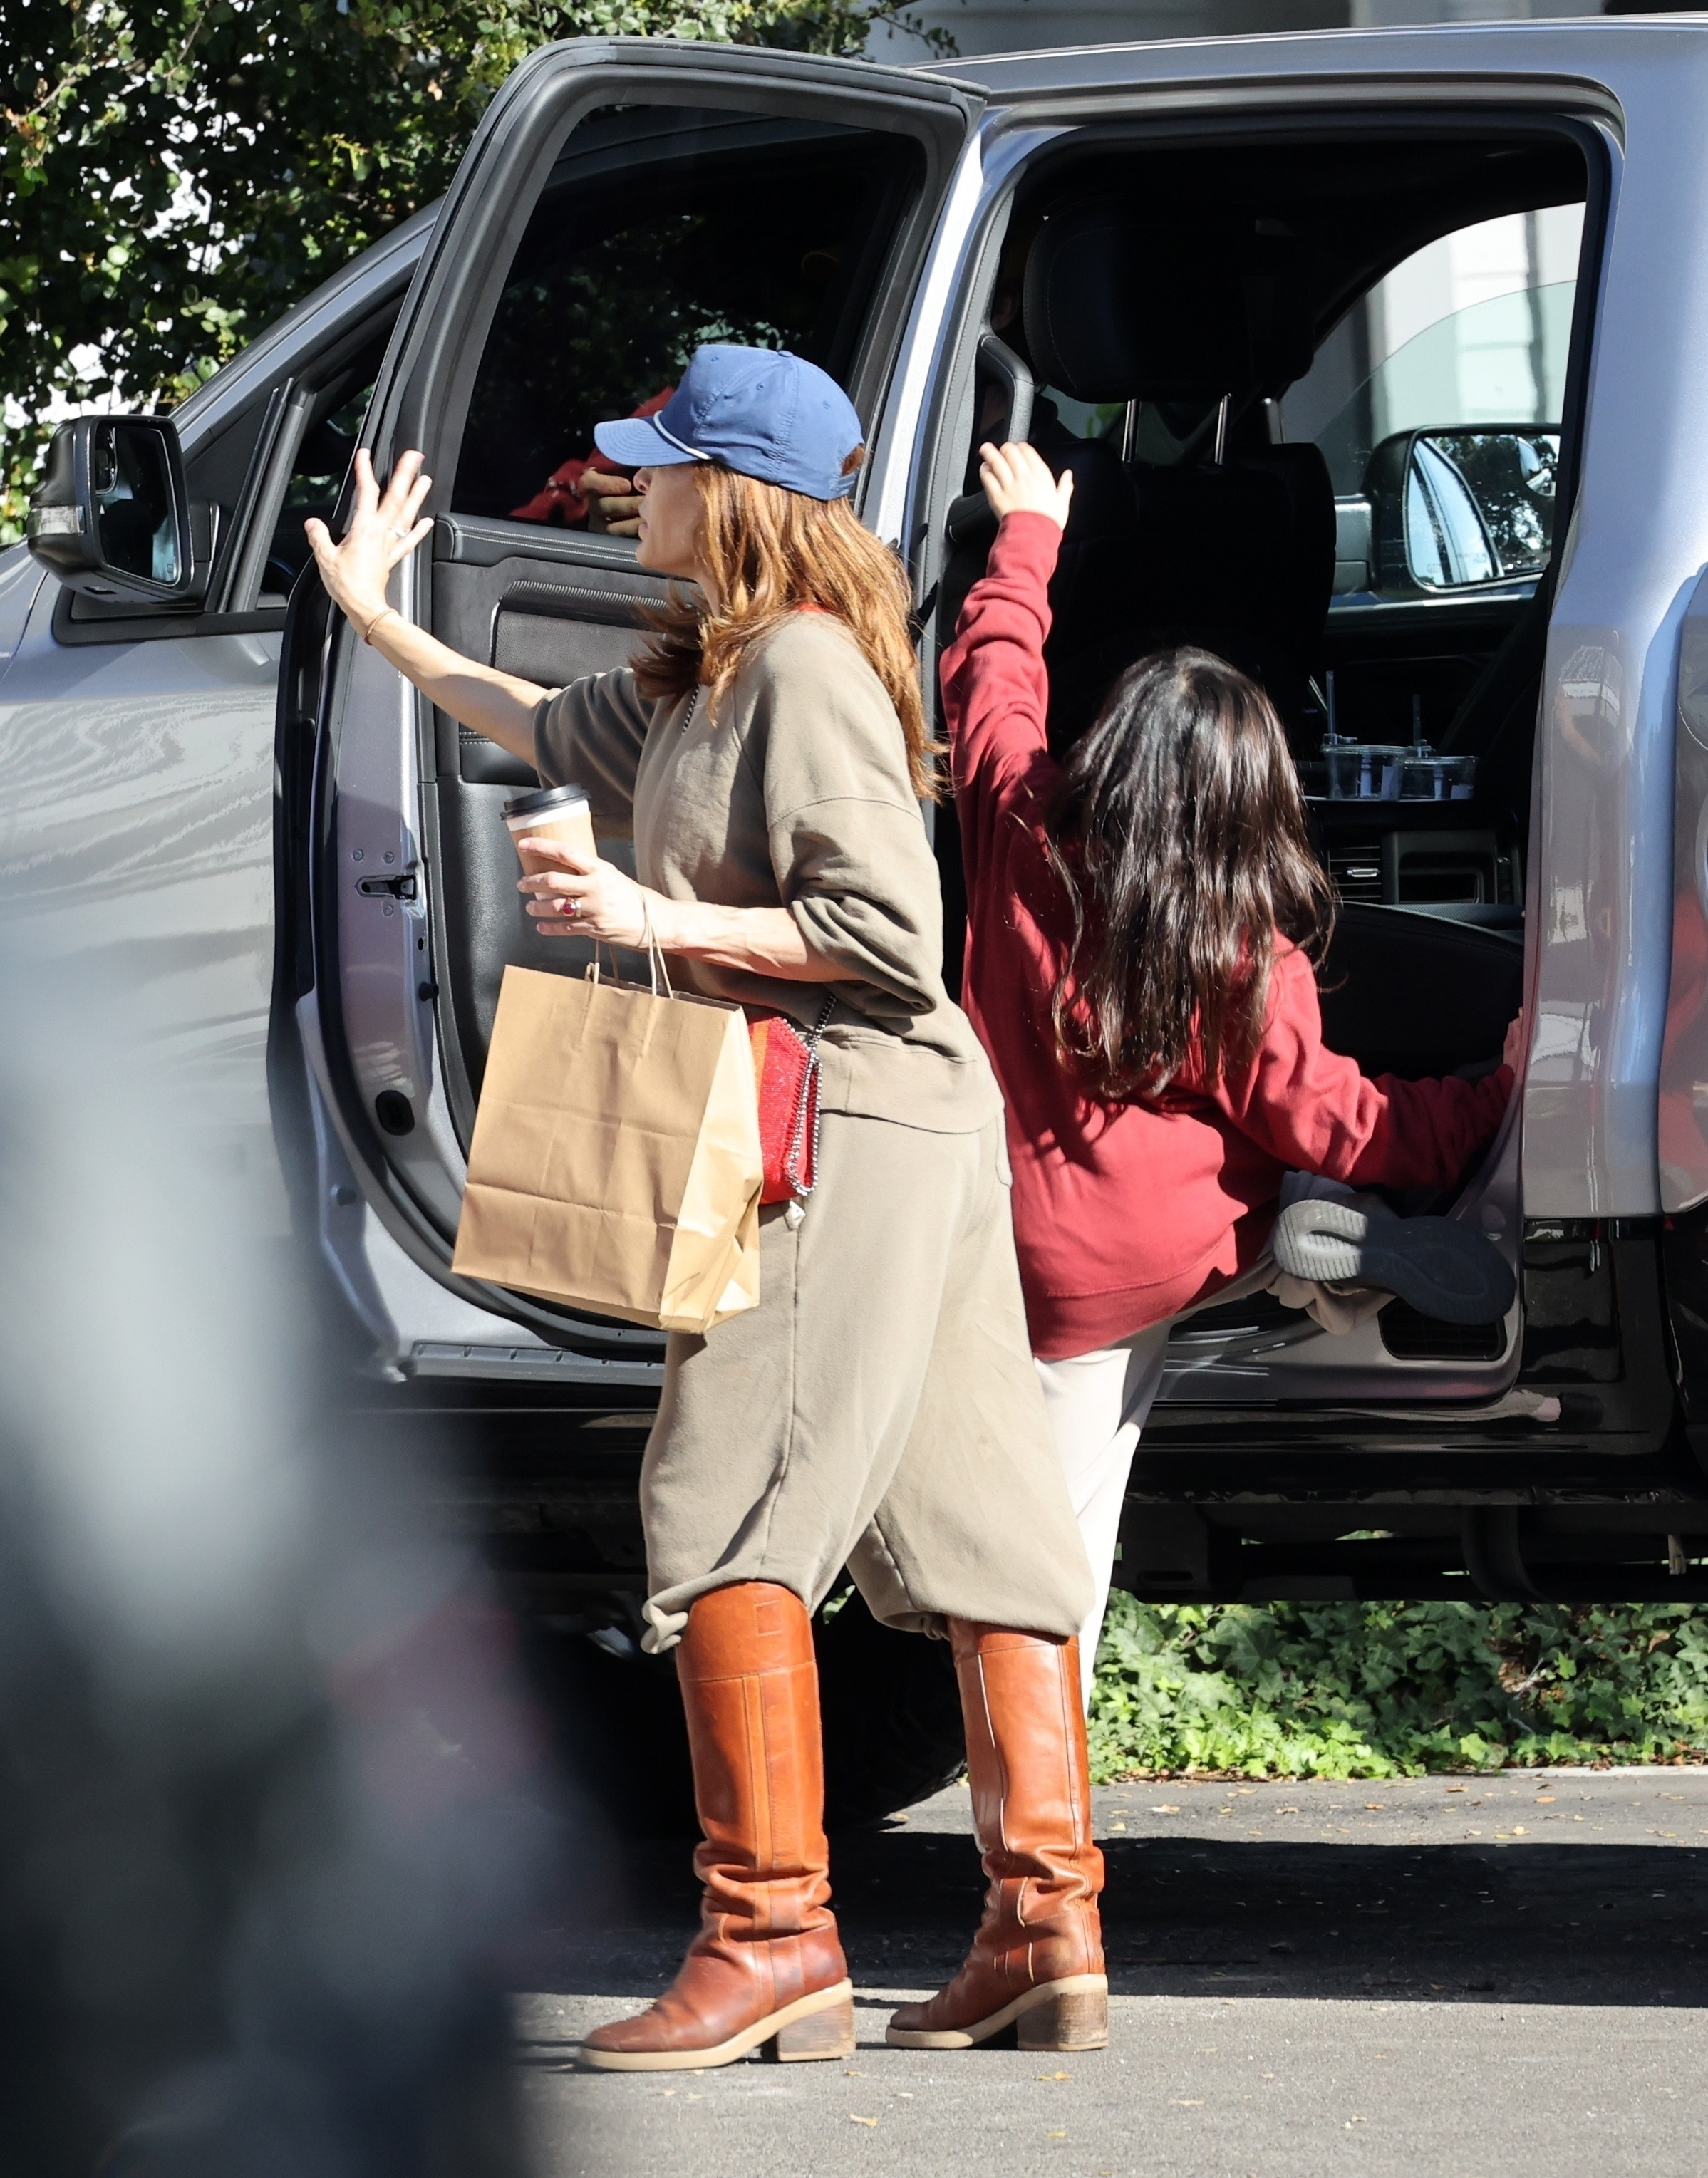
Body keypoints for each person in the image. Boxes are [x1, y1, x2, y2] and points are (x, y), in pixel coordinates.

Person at [304, 348, 1109, 2071]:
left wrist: (642, 915)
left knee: (719, 1502)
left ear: (731, 497)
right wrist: (375, 615)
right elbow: (517, 715)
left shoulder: (807, 674)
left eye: (656, 466)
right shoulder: (695, 681)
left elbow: (888, 938)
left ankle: (772, 1939)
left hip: (848, 1120)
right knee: (978, 1520)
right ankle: (1045, 1926)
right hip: (903, 1128)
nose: (624, 486)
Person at [941, 440, 1520, 1707]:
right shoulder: (1242, 954)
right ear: (1251, 803)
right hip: (1187, 1251)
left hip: (1024, 1256)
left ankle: (1041, 1851)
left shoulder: (1014, 818)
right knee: (1322, 1186)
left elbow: (994, 678)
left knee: (1059, 1545)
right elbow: (1357, 1120)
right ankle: (1340, 1276)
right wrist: (1504, 1086)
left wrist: (1029, 535)